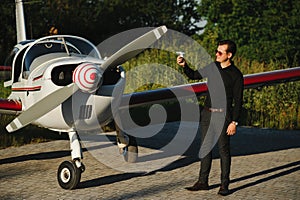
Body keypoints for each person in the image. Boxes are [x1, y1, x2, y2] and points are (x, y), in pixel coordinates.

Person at [177, 40, 244, 196]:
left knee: (223, 151)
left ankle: (224, 185)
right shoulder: (212, 67)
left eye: (220, 52)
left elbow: (238, 101)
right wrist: (184, 65)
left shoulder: (236, 75)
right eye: (216, 51)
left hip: (223, 116)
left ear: (229, 55)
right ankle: (202, 182)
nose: (216, 54)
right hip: (207, 113)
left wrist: (234, 122)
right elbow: (194, 75)